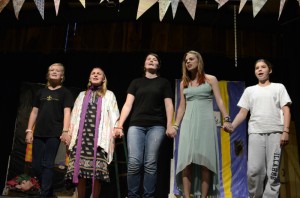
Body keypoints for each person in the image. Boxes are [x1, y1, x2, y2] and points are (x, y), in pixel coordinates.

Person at [224, 59, 292, 198]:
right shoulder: (250, 90)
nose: (260, 70)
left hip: (275, 133)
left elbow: (286, 110)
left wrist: (286, 131)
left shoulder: (279, 87)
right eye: (257, 68)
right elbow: (243, 112)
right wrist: (232, 126)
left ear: (270, 70)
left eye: (263, 67)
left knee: (272, 173)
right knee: (254, 171)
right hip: (256, 133)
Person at [113, 52, 175, 198]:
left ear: (158, 65)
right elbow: (128, 105)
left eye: (154, 59)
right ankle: (132, 195)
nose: (151, 61)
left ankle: (148, 196)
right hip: (136, 126)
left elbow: (169, 105)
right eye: (148, 59)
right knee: (134, 163)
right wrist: (119, 125)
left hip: (156, 126)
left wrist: (170, 125)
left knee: (150, 163)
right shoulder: (136, 82)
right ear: (144, 64)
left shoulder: (163, 82)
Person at [172, 50, 232, 198]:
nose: (188, 62)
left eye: (191, 59)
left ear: (199, 61)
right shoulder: (184, 83)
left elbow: (219, 100)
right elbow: (181, 107)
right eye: (186, 61)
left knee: (206, 162)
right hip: (188, 123)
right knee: (186, 162)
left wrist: (227, 118)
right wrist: (175, 125)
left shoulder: (210, 79)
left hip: (206, 122)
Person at [63, 67, 120, 198]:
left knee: (96, 175)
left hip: (99, 140)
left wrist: (117, 128)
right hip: (81, 138)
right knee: (80, 174)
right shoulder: (82, 95)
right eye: (93, 73)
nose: (95, 75)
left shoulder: (109, 95)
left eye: (99, 73)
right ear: (89, 78)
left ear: (103, 78)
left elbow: (114, 114)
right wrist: (69, 133)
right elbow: (74, 116)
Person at [25, 63, 74, 197]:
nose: (54, 72)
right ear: (48, 74)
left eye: (57, 71)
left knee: (48, 164)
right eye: (51, 70)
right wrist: (29, 130)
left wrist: (65, 131)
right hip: (38, 133)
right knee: (36, 165)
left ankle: (45, 194)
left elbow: (67, 113)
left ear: (62, 75)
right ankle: (50, 191)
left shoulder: (65, 93)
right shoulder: (41, 92)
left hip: (54, 134)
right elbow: (34, 112)